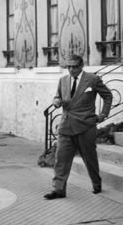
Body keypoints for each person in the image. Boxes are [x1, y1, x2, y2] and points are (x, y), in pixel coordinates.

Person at [44, 54, 112, 200]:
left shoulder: (92, 79)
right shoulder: (63, 80)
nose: (71, 70)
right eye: (69, 66)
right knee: (61, 159)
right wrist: (56, 100)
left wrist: (103, 114)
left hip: (85, 126)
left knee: (90, 158)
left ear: (81, 66)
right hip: (66, 125)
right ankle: (58, 190)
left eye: (74, 66)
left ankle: (96, 183)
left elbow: (108, 96)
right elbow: (58, 96)